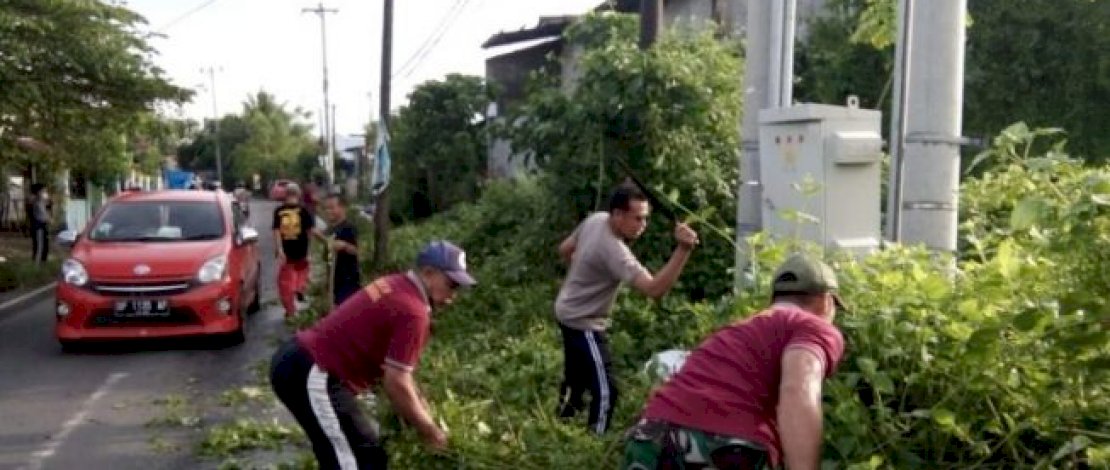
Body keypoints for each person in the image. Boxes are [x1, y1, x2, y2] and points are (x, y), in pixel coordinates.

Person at [622, 253, 848, 470]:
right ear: (827, 302)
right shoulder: (814, 326)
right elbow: (798, 390)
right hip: (726, 444)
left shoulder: (738, 329)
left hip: (652, 433)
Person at [269, 240, 476, 468]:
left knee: (368, 455)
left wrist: (417, 401)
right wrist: (430, 431)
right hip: (313, 371)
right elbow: (396, 382)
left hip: (302, 361)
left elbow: (397, 370)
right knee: (352, 462)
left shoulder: (396, 283)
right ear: (428, 273)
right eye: (451, 285)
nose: (452, 296)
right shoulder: (414, 312)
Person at [554, 182, 700, 435]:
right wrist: (683, 250)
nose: (643, 225)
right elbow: (654, 290)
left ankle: (561, 426)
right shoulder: (615, 251)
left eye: (646, 219)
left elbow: (565, 250)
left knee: (575, 381)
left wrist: (583, 276)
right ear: (618, 215)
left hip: (565, 309)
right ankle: (594, 445)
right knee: (607, 390)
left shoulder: (596, 219)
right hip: (583, 322)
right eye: (638, 218)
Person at [273, 183, 323, 317]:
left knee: (285, 282)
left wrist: (279, 249)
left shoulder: (278, 211)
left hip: (286, 252)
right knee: (302, 272)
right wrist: (324, 241)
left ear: (286, 195)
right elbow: (311, 230)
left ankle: (290, 311)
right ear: (298, 195)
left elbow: (277, 231)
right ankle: (299, 288)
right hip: (301, 250)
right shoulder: (303, 211)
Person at [323, 193, 361, 306]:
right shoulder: (330, 230)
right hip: (334, 281)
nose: (328, 211)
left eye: (332, 207)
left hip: (348, 282)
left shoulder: (349, 228)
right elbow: (328, 258)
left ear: (342, 207)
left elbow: (357, 251)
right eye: (326, 208)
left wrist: (344, 245)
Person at [27, 183, 51, 264]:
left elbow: (46, 212)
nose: (45, 193)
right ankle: (37, 263)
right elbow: (42, 214)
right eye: (43, 191)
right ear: (38, 192)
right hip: (38, 226)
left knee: (45, 244)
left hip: (42, 225)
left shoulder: (42, 202)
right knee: (39, 245)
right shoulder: (35, 201)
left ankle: (43, 262)